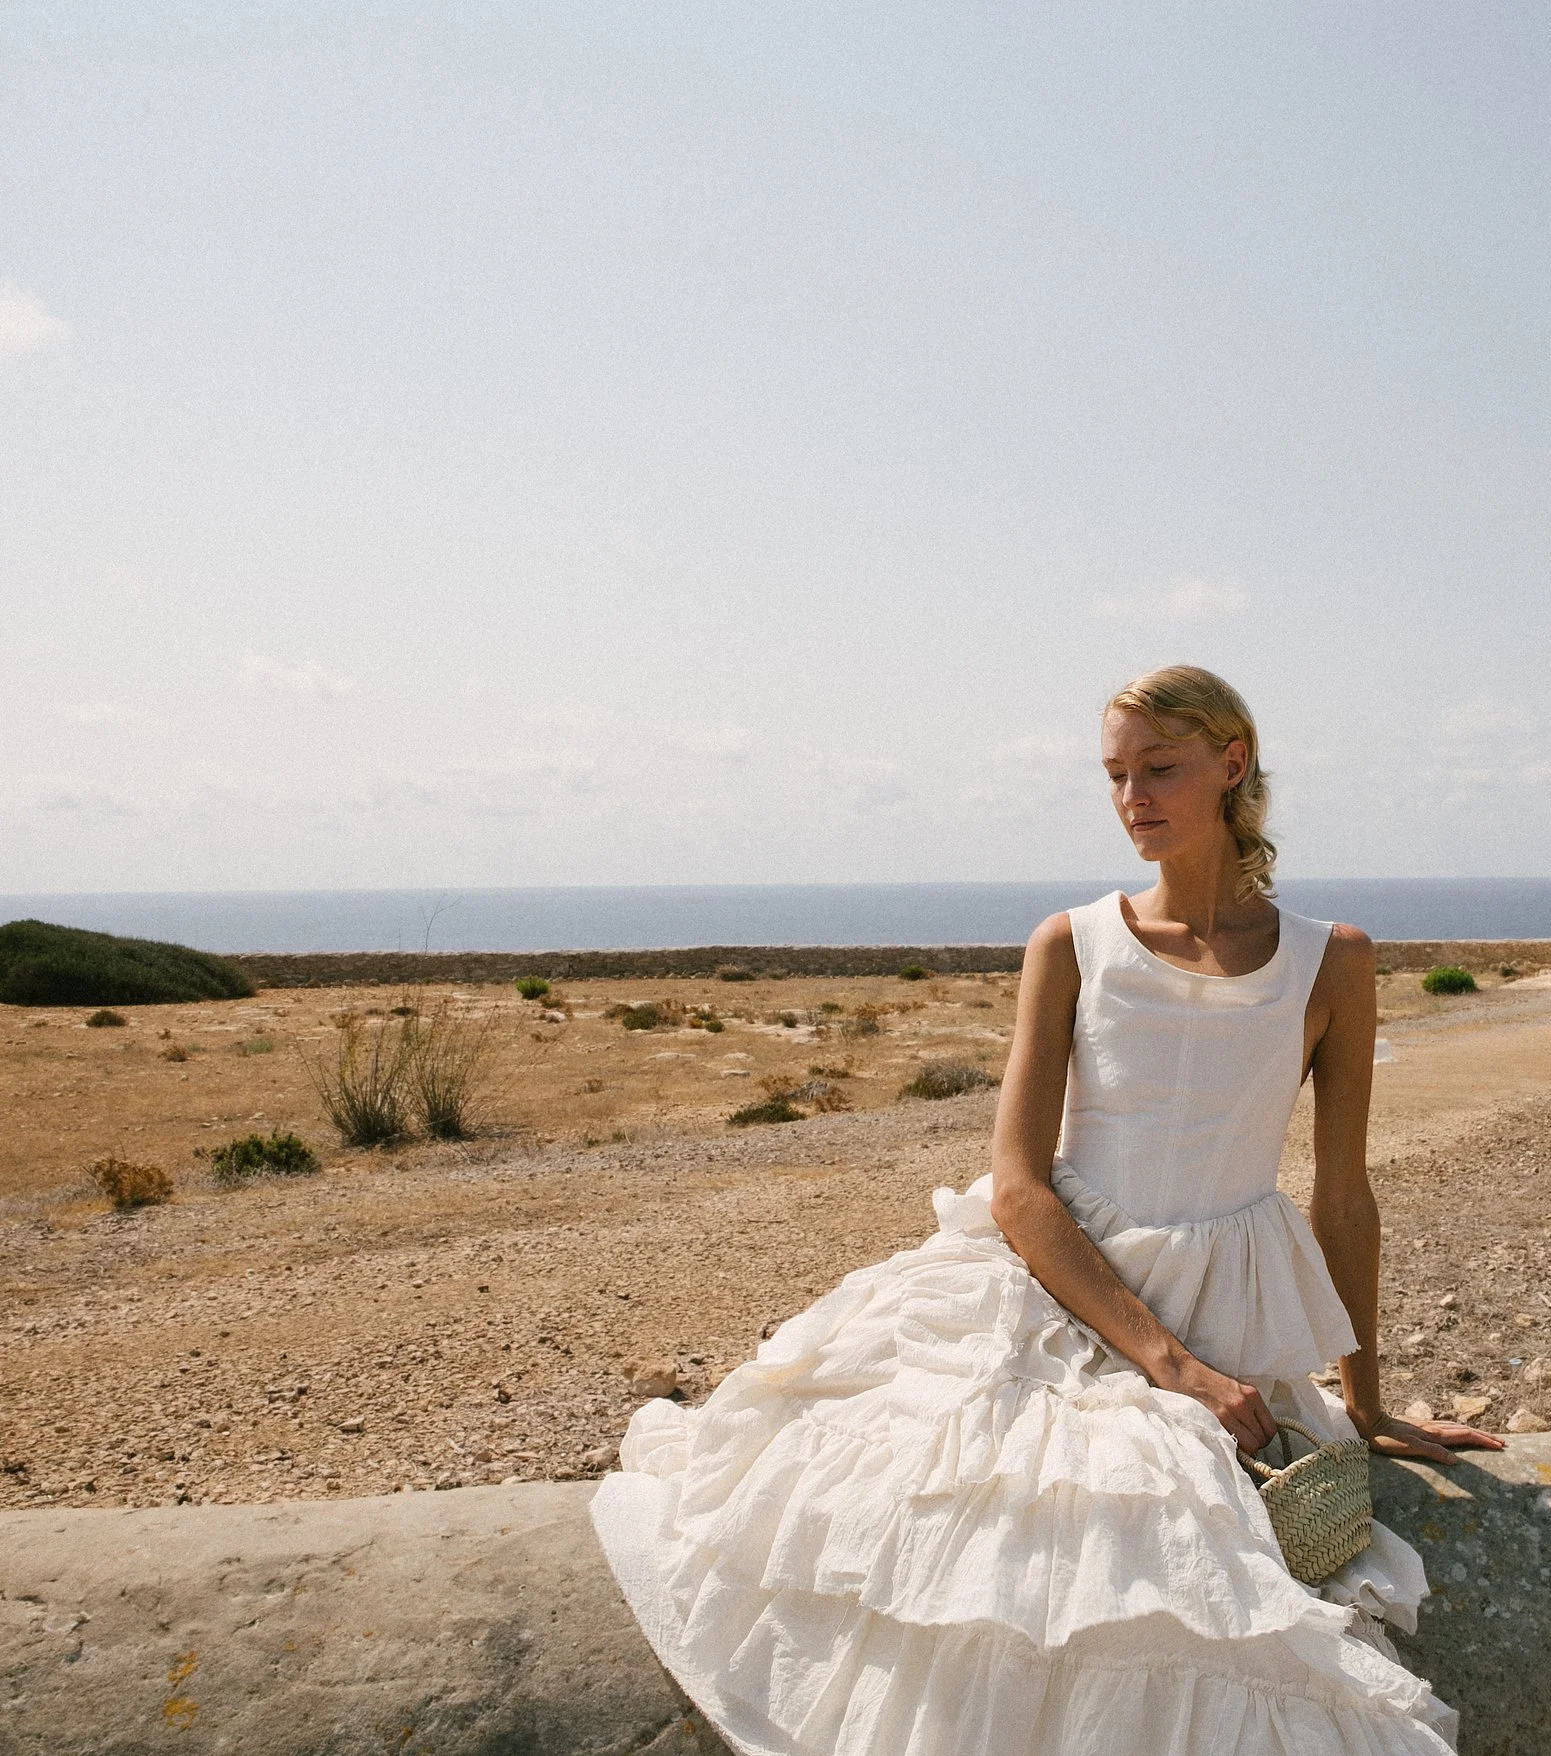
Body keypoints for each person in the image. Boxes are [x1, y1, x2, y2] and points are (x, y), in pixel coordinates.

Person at [593, 664, 1502, 1755]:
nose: (1133, 800)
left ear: (1232, 761)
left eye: (1158, 769)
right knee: (997, 1527)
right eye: (1115, 776)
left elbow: (1343, 1196)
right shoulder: (1071, 943)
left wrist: (1365, 1402)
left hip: (1228, 1307)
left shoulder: (1333, 959)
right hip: (1060, 1288)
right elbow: (1019, 1185)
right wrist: (1170, 1365)